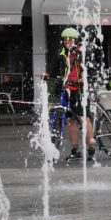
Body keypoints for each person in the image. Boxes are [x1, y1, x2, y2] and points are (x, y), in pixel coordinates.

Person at [44, 27, 95, 161]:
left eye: (70, 39)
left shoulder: (82, 53)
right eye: (65, 39)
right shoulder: (60, 53)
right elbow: (52, 71)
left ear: (75, 40)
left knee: (83, 117)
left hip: (79, 90)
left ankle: (90, 147)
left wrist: (86, 77)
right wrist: (46, 75)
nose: (67, 41)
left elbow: (92, 69)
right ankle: (75, 150)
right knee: (70, 120)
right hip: (66, 90)